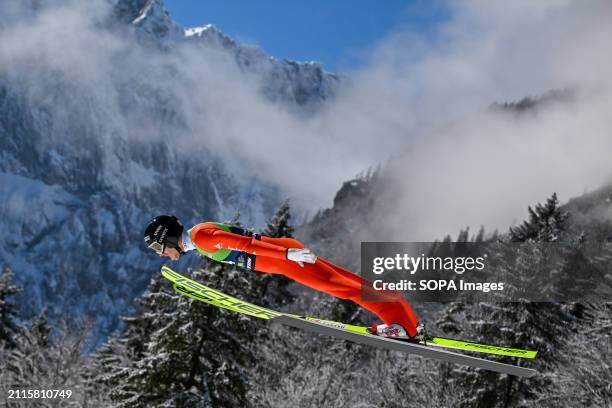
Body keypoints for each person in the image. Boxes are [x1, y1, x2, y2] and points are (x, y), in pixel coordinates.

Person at [144, 215, 425, 340]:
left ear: (167, 237)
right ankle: (406, 321)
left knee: (343, 288)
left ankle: (402, 325)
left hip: (285, 260)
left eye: (159, 247)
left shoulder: (203, 238)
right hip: (284, 254)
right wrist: (286, 254)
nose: (161, 253)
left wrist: (287, 257)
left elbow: (246, 245)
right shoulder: (199, 234)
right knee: (347, 280)